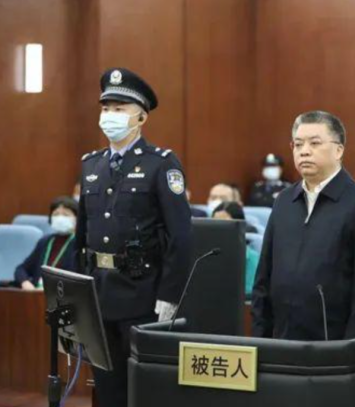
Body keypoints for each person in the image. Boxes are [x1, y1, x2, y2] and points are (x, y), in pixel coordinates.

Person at [76, 68, 192, 407]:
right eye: (106, 108)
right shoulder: (91, 165)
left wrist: (170, 296)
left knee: (144, 391)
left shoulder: (161, 164)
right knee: (107, 390)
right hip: (98, 295)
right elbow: (82, 235)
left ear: (141, 117)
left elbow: (181, 236)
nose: (109, 115)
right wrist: (77, 294)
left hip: (142, 295)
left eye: (119, 108)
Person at [252, 110, 355, 341]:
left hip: (333, 344)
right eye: (298, 144)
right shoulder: (284, 201)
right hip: (280, 341)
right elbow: (264, 276)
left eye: (314, 143)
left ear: (339, 150)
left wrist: (350, 348)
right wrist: (260, 338)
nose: (304, 151)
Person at [14, 196, 78, 289]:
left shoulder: (79, 244)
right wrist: (25, 282)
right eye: (56, 214)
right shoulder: (45, 241)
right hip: (37, 293)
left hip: (62, 294)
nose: (60, 218)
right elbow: (21, 269)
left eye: (66, 215)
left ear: (77, 219)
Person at [212, 201, 260, 296]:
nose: (219, 230)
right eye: (214, 223)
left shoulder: (252, 258)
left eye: (224, 224)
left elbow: (250, 293)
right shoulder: (206, 254)